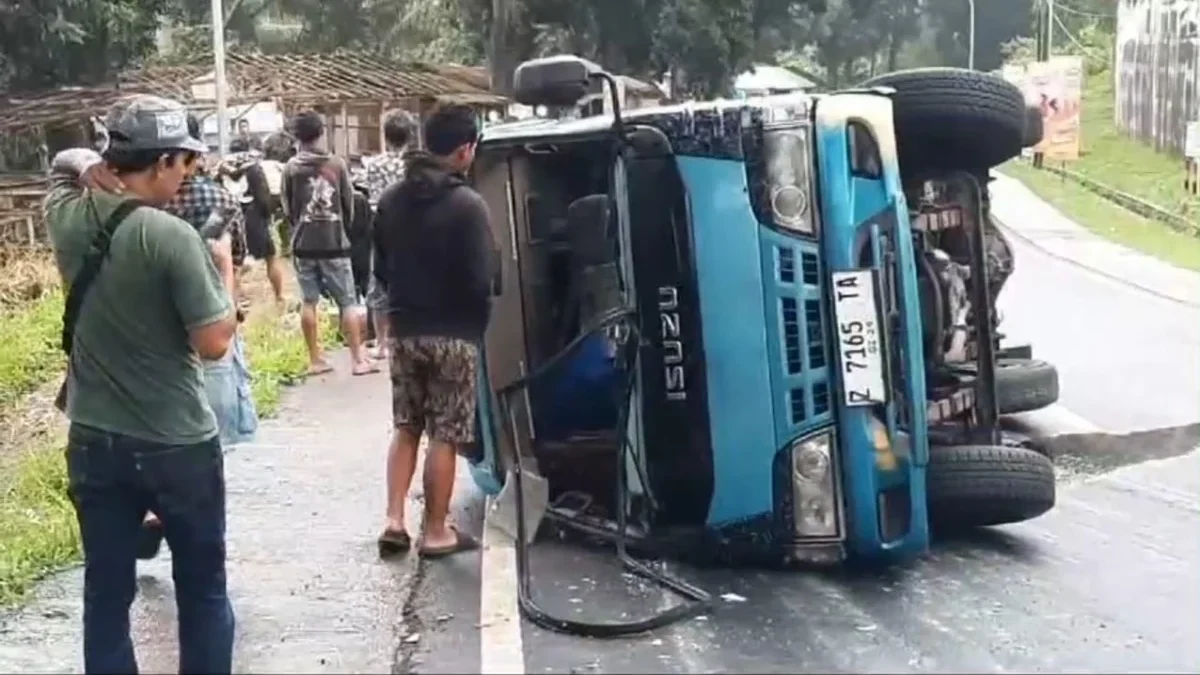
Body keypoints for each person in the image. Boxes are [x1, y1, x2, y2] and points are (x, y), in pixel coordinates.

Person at [43, 94, 237, 674]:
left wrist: (87, 166)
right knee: (202, 589)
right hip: (177, 443)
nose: (189, 174)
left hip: (95, 441)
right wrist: (225, 294)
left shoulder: (66, 216)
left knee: (106, 594)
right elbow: (213, 344)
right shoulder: (172, 238)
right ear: (160, 165)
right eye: (184, 163)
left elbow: (64, 162)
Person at [373, 104, 497, 558]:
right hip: (454, 334)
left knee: (406, 425)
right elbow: (484, 279)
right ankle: (437, 531)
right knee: (445, 432)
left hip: (405, 330)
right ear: (465, 151)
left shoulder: (390, 200)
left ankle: (392, 520)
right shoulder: (468, 205)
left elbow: (381, 269)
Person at [281, 110, 377, 376]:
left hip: (303, 244)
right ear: (321, 132)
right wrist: (341, 229)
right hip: (334, 241)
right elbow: (349, 203)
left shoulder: (290, 168)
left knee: (308, 301)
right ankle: (358, 360)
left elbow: (287, 206)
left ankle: (315, 359)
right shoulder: (336, 164)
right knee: (347, 301)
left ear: (296, 136)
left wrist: (298, 227)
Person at [363, 109, 415, 359]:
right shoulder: (414, 165)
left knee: (379, 286)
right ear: (410, 136)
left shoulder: (373, 165)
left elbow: (371, 197)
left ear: (385, 136)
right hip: (412, 228)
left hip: (382, 228)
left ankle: (383, 344)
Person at [220, 136, 286, 302]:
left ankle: (234, 298)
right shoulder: (253, 167)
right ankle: (279, 295)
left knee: (233, 264)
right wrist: (268, 213)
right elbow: (263, 195)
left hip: (229, 218)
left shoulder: (221, 169)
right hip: (254, 217)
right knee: (270, 256)